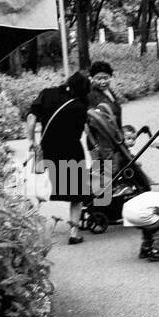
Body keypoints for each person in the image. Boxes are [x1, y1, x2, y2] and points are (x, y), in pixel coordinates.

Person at [26, 72, 92, 245]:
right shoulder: (81, 103)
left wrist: (32, 141)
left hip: (47, 148)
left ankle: (36, 230)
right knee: (76, 194)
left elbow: (32, 119)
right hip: (71, 149)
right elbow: (85, 128)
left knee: (41, 188)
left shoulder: (47, 93)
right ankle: (74, 232)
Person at [87, 60, 123, 127]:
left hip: (115, 133)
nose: (103, 82)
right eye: (99, 79)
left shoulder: (109, 91)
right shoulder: (90, 95)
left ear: (111, 78)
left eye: (106, 78)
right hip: (102, 135)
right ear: (91, 79)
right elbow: (93, 119)